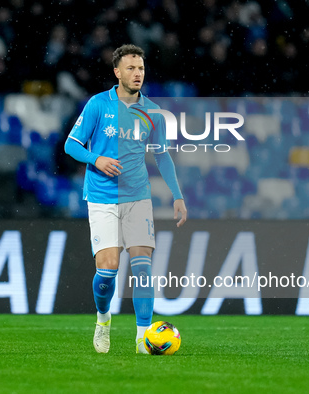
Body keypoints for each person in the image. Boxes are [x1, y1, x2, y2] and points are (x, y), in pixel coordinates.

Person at [64, 44, 187, 354]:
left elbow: (163, 157)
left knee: (143, 266)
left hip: (138, 197)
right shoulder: (97, 104)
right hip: (102, 197)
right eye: (131, 68)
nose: (137, 74)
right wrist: (97, 159)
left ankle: (143, 337)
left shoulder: (153, 112)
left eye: (141, 69)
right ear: (117, 72)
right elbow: (71, 145)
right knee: (107, 272)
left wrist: (178, 195)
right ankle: (103, 319)